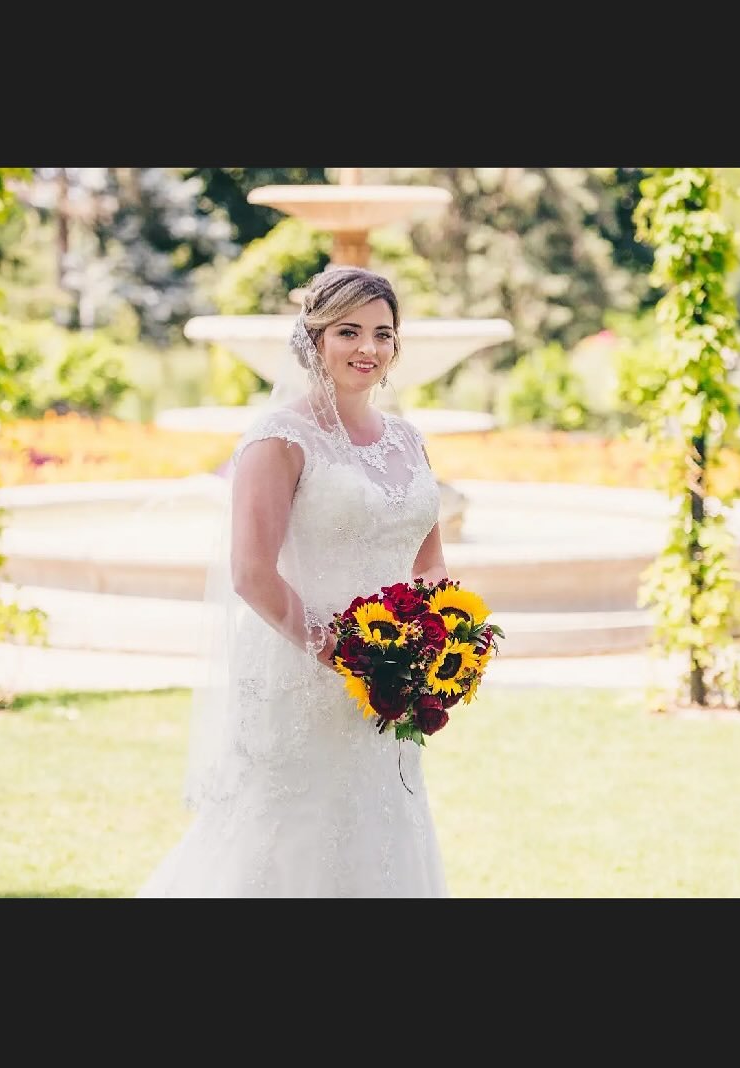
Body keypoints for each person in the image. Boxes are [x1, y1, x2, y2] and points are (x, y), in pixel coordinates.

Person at [138, 266, 449, 897]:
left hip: (391, 689)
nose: (368, 348)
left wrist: (436, 647)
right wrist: (345, 655)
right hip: (301, 676)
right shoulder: (278, 440)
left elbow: (429, 561)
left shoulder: (408, 441)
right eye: (348, 331)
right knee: (288, 841)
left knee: (382, 830)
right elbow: (251, 573)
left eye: (382, 333)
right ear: (314, 340)